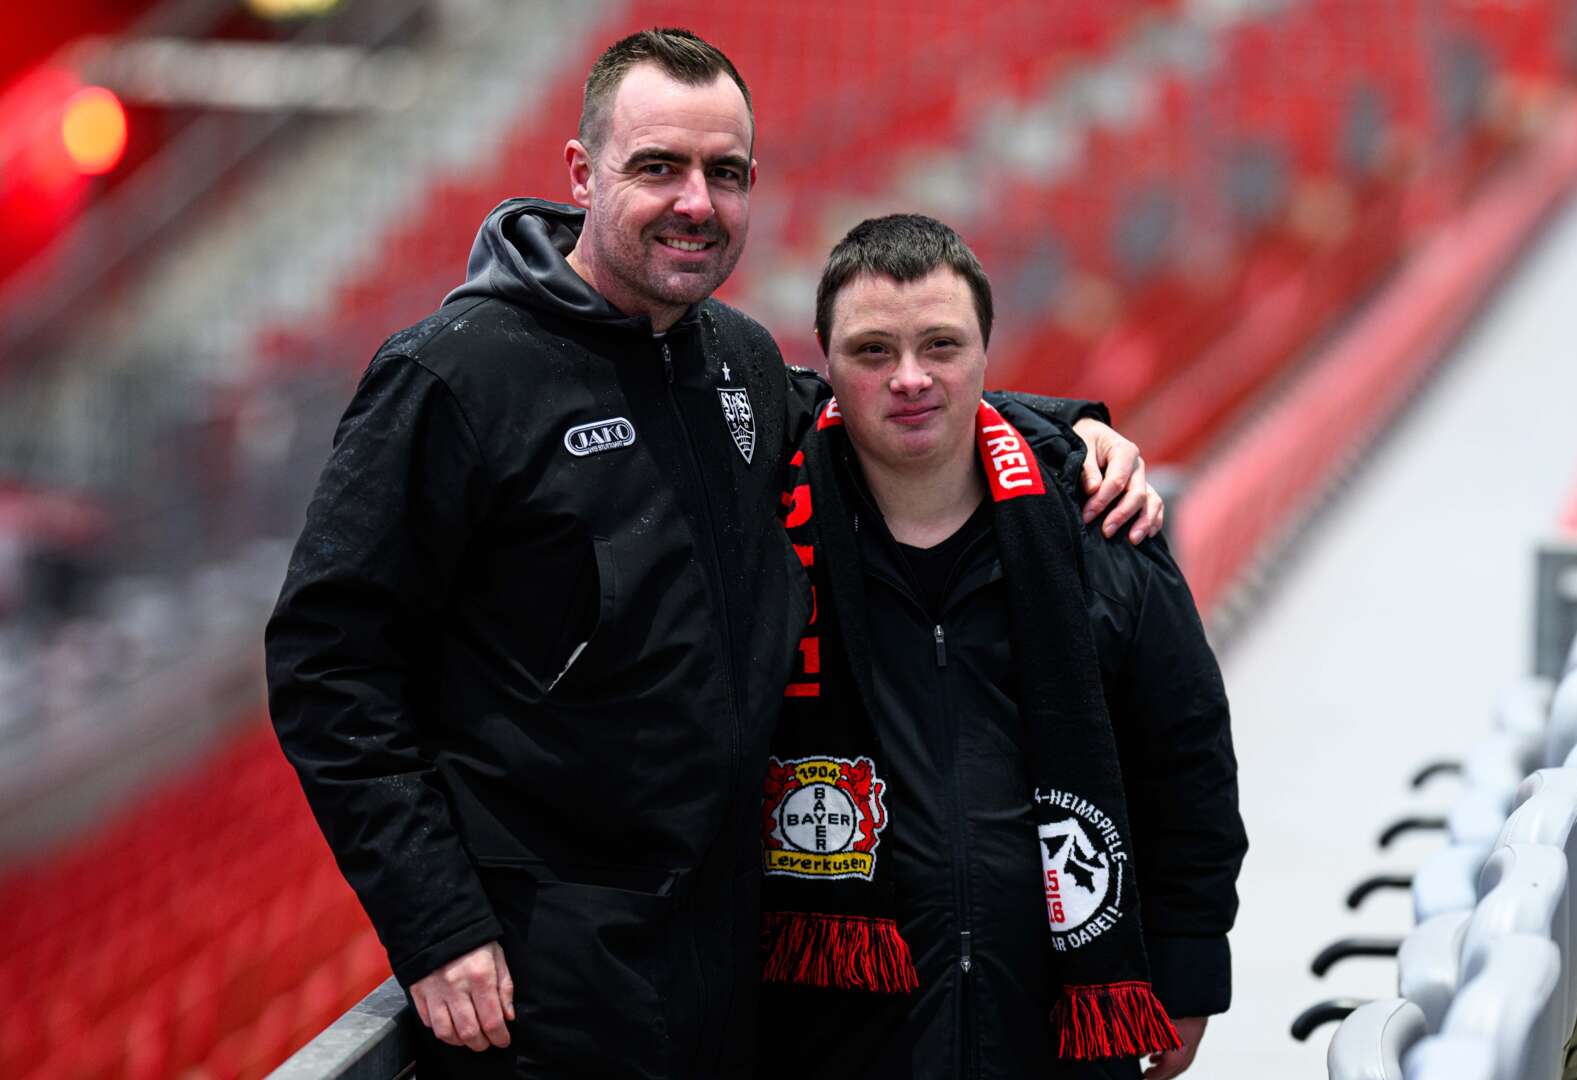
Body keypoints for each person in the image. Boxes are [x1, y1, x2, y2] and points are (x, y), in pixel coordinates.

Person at [264, 29, 1162, 1079]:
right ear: (581, 172)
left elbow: (881, 408)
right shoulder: (454, 376)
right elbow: (326, 668)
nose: (697, 201)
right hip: (550, 981)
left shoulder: (731, 357)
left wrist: (1071, 438)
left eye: (725, 174)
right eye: (658, 168)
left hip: (734, 953)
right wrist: (436, 925)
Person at [757, 214, 1245, 1080]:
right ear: (823, 363)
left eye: (941, 345)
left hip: (1061, 1023)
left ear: (986, 351)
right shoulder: (764, 536)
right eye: (873, 352)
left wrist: (1189, 969)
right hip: (830, 1033)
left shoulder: (1096, 520)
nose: (910, 378)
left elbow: (1189, 757)